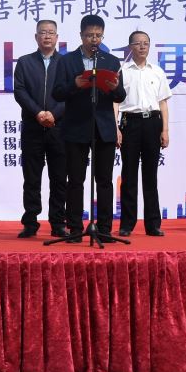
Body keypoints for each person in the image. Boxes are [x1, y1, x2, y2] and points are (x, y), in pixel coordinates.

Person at [52, 13, 126, 242]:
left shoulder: (111, 61)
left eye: (98, 35)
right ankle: (75, 229)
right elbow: (57, 93)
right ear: (81, 35)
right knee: (75, 181)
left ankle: (104, 229)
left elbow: (120, 95)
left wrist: (114, 88)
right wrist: (74, 85)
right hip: (76, 127)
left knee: (104, 181)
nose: (94, 39)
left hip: (103, 128)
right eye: (89, 35)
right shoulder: (66, 61)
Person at [12, 19, 68, 239]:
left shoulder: (66, 63)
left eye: (51, 32)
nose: (47, 36)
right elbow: (20, 91)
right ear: (36, 37)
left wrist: (54, 114)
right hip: (32, 127)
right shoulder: (25, 62)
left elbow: (71, 94)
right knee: (31, 178)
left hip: (59, 128)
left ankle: (58, 223)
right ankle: (30, 222)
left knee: (59, 178)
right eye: (43, 32)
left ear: (57, 37)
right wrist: (38, 113)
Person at [113, 30, 171, 237]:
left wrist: (165, 130)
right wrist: (115, 128)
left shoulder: (157, 71)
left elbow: (163, 103)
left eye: (146, 43)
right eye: (138, 43)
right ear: (130, 47)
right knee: (129, 175)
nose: (142, 46)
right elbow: (115, 102)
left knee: (150, 176)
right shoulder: (122, 71)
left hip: (153, 123)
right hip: (129, 123)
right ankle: (127, 225)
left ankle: (153, 224)